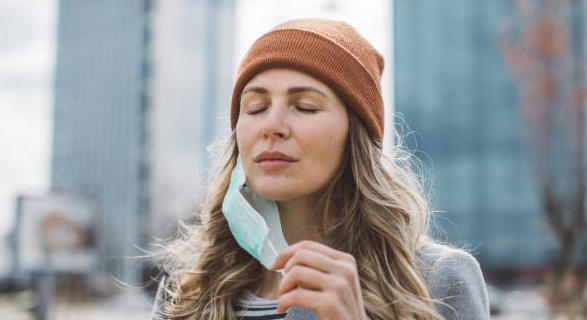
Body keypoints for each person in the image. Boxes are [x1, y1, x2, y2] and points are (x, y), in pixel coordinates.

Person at [151, 18, 490, 320]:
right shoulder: (187, 288)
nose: (272, 125)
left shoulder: (439, 279)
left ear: (354, 137)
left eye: (305, 107)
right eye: (255, 107)